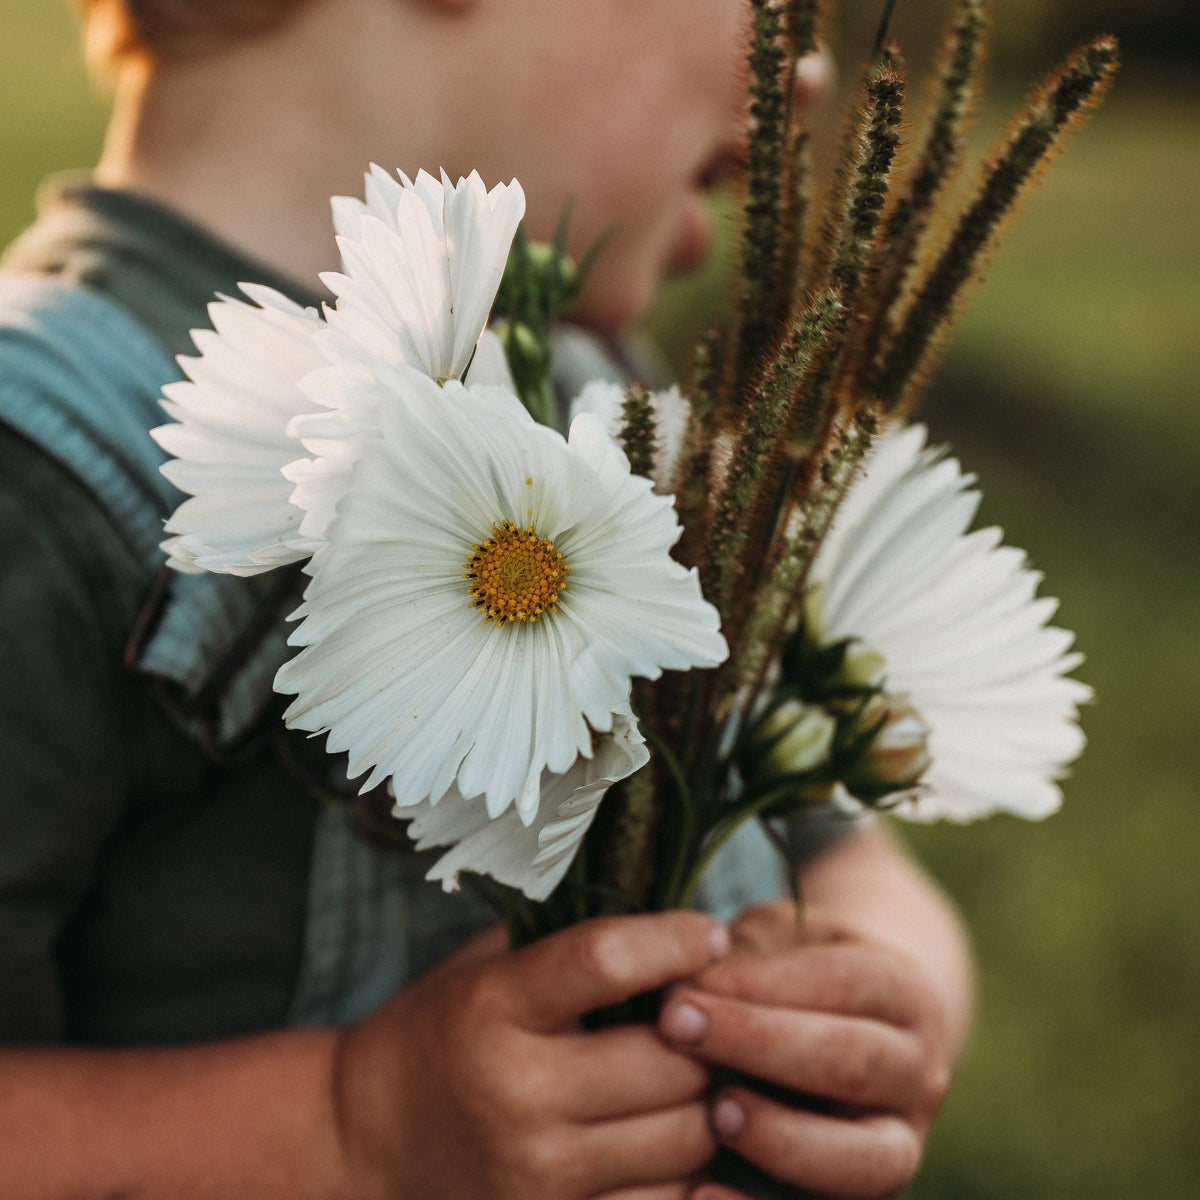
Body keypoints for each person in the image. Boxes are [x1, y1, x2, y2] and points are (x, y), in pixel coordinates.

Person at [0, 1, 972, 1196]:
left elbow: (842, 857)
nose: (808, 73)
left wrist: (877, 995)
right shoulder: (39, 482)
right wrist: (351, 1126)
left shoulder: (603, 403)